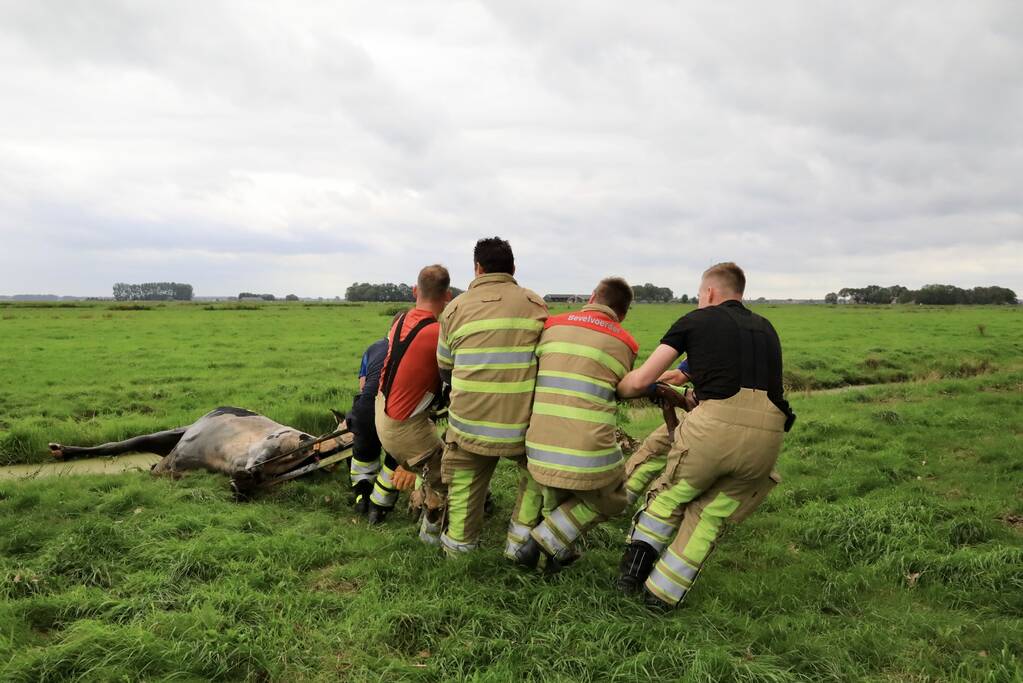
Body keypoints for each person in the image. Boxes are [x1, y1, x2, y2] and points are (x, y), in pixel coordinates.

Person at [615, 262, 796, 608]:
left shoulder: (696, 320)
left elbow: (641, 381)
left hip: (714, 432)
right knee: (709, 518)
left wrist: (616, 389)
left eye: (700, 294)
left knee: (670, 496)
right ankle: (660, 598)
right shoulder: (766, 328)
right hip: (767, 444)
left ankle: (630, 578)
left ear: (709, 292)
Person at [508, 277, 639, 571]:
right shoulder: (626, 343)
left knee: (541, 486)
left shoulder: (551, 325)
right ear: (622, 313)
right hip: (587, 453)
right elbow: (619, 390)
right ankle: (545, 541)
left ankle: (518, 549)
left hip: (536, 442)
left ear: (591, 297)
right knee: (613, 497)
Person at [437, 237, 548, 555]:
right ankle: (519, 546)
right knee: (536, 478)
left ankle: (459, 549)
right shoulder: (535, 304)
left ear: (477, 268)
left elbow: (445, 369)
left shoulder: (454, 309)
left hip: (468, 426)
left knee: (463, 483)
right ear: (513, 268)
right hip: (522, 428)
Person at [370, 265, 452, 542]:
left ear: (415, 290)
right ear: (447, 296)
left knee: (434, 464)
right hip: (406, 430)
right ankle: (431, 538)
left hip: (382, 416)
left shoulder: (400, 321)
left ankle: (421, 504)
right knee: (453, 479)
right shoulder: (439, 333)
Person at [623, 359, 691, 506]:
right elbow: (679, 377)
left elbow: (677, 377)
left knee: (654, 450)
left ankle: (619, 501)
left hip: (708, 415)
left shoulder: (710, 346)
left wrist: (638, 384)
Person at [347, 332, 390, 514]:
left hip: (365, 409)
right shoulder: (412, 346)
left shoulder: (373, 348)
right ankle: (379, 507)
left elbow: (363, 385)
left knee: (364, 458)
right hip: (395, 412)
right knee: (395, 459)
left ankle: (362, 497)